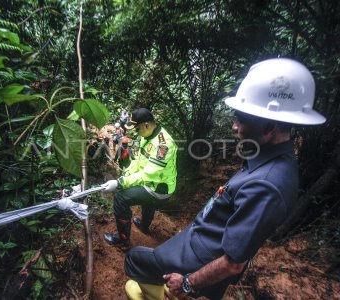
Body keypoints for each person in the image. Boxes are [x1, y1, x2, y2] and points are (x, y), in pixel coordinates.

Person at [123, 58, 326, 300]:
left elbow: (233, 263)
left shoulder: (267, 185)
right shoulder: (266, 158)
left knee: (134, 260)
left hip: (201, 255)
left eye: (241, 118)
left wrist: (187, 283)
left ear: (270, 126)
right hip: (201, 239)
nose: (234, 125)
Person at [102, 108, 178, 247]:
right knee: (146, 200)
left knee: (121, 198)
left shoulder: (163, 145)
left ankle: (123, 241)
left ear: (146, 125)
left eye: (137, 129)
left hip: (160, 188)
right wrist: (127, 174)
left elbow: (148, 174)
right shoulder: (147, 135)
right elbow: (138, 160)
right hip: (151, 183)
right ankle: (143, 225)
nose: (136, 133)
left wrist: (121, 183)